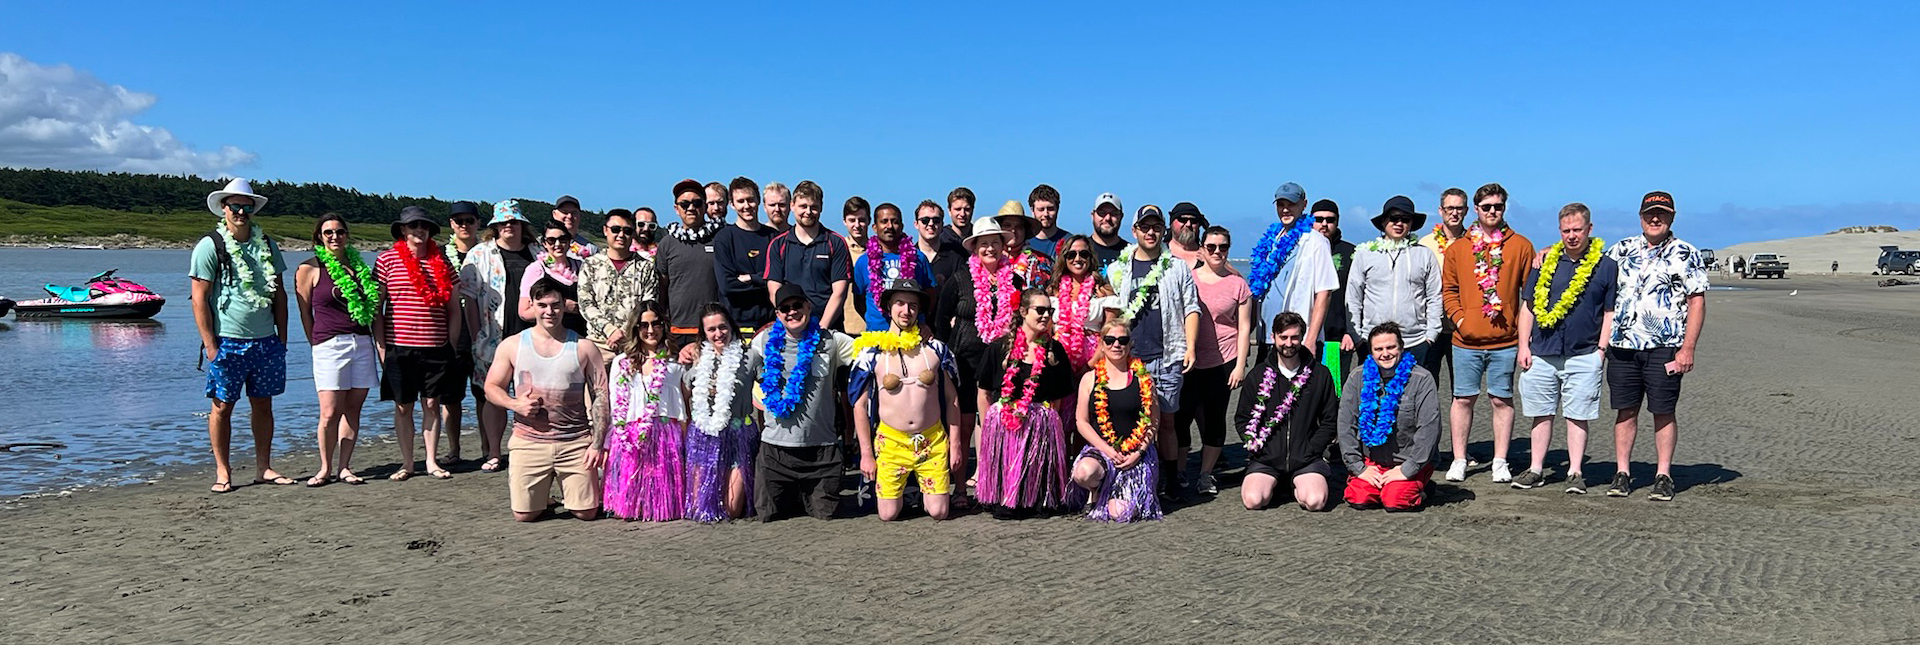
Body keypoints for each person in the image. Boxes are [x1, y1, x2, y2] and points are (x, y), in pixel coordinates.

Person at [1604, 191, 1708, 501]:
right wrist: (1547, 253)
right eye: (1650, 213)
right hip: (1623, 345)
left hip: (1666, 346)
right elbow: (1590, 275)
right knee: (1625, 411)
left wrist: (1688, 348)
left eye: (1661, 213)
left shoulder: (1686, 253)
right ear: (1640, 216)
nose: (1655, 218)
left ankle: (1663, 475)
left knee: (1663, 411)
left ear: (1672, 217)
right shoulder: (1620, 250)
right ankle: (1622, 472)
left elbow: (1697, 301)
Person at [191, 178, 292, 493]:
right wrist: (210, 344)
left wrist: (283, 338)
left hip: (266, 342)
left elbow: (280, 295)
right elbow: (198, 297)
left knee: (263, 405)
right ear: (224, 208)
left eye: (247, 207)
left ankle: (264, 467)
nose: (241, 212)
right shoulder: (210, 245)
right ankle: (223, 471)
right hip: (227, 343)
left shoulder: (267, 245)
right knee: (222, 406)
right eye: (235, 206)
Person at [483, 279, 610, 522]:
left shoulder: (584, 347)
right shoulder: (513, 345)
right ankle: (545, 495)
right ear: (531, 306)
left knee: (586, 513)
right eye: (542, 305)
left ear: (564, 306)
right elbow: (491, 388)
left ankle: (567, 487)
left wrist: (597, 444)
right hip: (528, 441)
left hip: (575, 441)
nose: (549, 312)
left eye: (555, 305)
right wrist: (514, 404)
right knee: (525, 515)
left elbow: (601, 397)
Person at [1513, 203, 1619, 492]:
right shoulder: (1543, 262)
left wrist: (1601, 350)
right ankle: (1536, 468)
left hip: (1584, 353)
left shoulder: (1606, 266)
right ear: (1559, 231)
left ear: (1590, 229)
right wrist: (1524, 346)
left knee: (1578, 414)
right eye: (1566, 231)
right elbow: (1528, 307)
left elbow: (1609, 311)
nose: (1572, 236)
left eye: (1577, 230)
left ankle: (1575, 472)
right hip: (1542, 352)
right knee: (1541, 412)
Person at [1439, 183, 1536, 483]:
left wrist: (1523, 340)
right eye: (1486, 207)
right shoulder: (1457, 248)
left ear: (1504, 208)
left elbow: (1528, 296)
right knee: (1463, 399)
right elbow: (1449, 291)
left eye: (1498, 206)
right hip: (1465, 341)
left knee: (1501, 400)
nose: (1492, 211)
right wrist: (1461, 320)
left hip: (1505, 342)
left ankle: (1500, 460)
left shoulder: (1520, 245)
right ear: (1476, 210)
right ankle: (1458, 459)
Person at [1104, 207, 1201, 499]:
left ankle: (1170, 479)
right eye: (1145, 227)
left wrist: (1192, 347)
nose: (1151, 232)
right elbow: (1111, 311)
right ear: (1134, 231)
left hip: (1168, 353)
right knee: (1134, 420)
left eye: (1156, 227)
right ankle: (1138, 476)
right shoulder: (1118, 268)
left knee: (1167, 421)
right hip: (1128, 356)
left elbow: (1191, 308)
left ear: (1163, 231)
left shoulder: (1176, 267)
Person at [850, 279, 963, 521]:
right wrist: (866, 454)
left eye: (913, 305)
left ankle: (923, 492)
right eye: (900, 303)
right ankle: (907, 492)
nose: (906, 310)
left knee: (939, 512)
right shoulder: (872, 353)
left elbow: (952, 398)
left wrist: (956, 445)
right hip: (891, 442)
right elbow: (859, 406)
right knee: (888, 515)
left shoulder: (936, 349)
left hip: (932, 441)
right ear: (888, 306)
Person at [932, 217, 1023, 501]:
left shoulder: (1016, 280)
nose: (990, 249)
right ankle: (960, 489)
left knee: (1000, 424)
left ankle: (997, 483)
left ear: (1002, 245)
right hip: (965, 361)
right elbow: (941, 318)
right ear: (975, 248)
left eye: (995, 242)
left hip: (1003, 364)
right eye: (984, 244)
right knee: (966, 422)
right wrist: (947, 356)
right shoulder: (961, 278)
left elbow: (1022, 321)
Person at [749, 284, 858, 521]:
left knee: (827, 517)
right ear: (777, 314)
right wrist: (693, 348)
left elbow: (868, 352)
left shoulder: (831, 340)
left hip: (821, 452)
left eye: (797, 305)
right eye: (784, 308)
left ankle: (806, 496)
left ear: (808, 306)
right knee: (768, 516)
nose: (792, 312)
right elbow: (734, 361)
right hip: (775, 454)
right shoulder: (763, 342)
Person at [376, 206, 465, 481]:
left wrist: (449, 343)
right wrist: (381, 347)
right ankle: (407, 463)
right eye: (413, 226)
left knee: (431, 403)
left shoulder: (443, 263)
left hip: (436, 346)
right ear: (403, 230)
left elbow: (454, 309)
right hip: (398, 345)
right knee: (403, 406)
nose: (419, 230)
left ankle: (431, 461)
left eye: (424, 226)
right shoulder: (386, 261)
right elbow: (377, 309)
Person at [976, 288, 1077, 518]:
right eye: (1039, 310)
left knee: (1040, 508)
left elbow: (1059, 397)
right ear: (1023, 312)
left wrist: (1047, 426)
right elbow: (983, 393)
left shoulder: (1055, 350)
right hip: (1006, 427)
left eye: (1049, 311)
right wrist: (990, 430)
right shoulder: (999, 348)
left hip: (1040, 430)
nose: (1045, 316)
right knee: (1008, 511)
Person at [294, 214, 377, 486]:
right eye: (328, 232)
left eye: (340, 232)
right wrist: (315, 342)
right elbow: (305, 312)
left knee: (353, 409)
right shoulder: (310, 269)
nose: (334, 237)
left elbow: (374, 308)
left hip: (362, 343)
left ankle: (345, 467)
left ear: (347, 235)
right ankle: (324, 468)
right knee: (330, 412)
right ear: (319, 236)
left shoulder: (359, 266)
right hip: (330, 344)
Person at [460, 200, 537, 474]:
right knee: (494, 395)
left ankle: (527, 450)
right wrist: (474, 335)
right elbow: (468, 298)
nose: (508, 226)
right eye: (503, 222)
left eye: (513, 222)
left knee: (531, 395)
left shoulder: (537, 253)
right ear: (494, 227)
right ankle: (494, 452)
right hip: (492, 336)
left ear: (521, 225)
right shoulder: (480, 254)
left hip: (532, 337)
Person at [1233, 312, 1338, 511]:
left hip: (1306, 458)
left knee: (1315, 501)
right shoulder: (1258, 375)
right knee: (1253, 500)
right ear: (1273, 337)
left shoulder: (1320, 374)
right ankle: (1276, 482)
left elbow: (1329, 420)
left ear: (1302, 338)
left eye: (1294, 337)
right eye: (1283, 337)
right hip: (1267, 458)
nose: (1289, 343)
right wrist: (1257, 446)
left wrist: (1312, 448)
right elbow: (1243, 418)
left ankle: (1296, 484)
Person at [1177, 226, 1251, 495]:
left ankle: (1205, 474)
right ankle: (1180, 470)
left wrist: (1241, 364)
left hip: (1225, 358)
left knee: (1215, 418)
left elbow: (1244, 328)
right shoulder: (1189, 279)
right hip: (1191, 358)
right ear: (1202, 250)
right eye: (1211, 247)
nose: (1217, 252)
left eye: (1223, 247)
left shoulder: (1238, 284)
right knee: (1181, 417)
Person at [1339, 322, 1443, 511]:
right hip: (1372, 463)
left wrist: (1407, 470)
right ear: (1371, 352)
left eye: (1391, 347)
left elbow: (1429, 430)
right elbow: (1346, 425)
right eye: (1378, 349)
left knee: (1395, 501)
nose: (1385, 354)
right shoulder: (1357, 378)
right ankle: (1384, 486)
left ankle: (1423, 487)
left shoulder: (1421, 378)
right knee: (1359, 498)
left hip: (1409, 460)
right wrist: (1359, 468)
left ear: (1401, 348)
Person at [602, 301, 689, 521]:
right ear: (635, 328)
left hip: (664, 435)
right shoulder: (621, 363)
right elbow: (614, 404)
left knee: (661, 504)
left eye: (656, 324)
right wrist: (607, 443)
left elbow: (682, 408)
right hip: (629, 435)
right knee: (631, 506)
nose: (650, 330)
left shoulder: (675, 364)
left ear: (664, 326)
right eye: (643, 325)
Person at [1070, 317, 1162, 522]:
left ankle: (1115, 492)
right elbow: (1081, 422)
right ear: (1102, 345)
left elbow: (1154, 421)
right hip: (1103, 451)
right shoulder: (1090, 379)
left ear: (1130, 344)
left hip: (1135, 455)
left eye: (1122, 340)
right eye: (1110, 340)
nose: (1116, 345)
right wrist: (1108, 451)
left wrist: (1139, 452)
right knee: (1083, 473)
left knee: (1120, 513)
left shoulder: (1143, 378)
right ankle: (1099, 487)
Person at [1345, 196, 1443, 369]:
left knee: (1416, 394)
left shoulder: (1425, 254)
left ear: (1412, 223)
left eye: (1405, 219)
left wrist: (1431, 336)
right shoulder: (1365, 254)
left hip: (1416, 341)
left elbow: (1435, 296)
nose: (1399, 223)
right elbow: (1353, 296)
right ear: (1384, 222)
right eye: (1394, 218)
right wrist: (1357, 337)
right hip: (1373, 342)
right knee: (1373, 394)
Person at [684, 303, 760, 522]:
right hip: (705, 437)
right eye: (711, 329)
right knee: (701, 507)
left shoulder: (750, 357)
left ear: (731, 327)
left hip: (738, 437)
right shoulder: (697, 358)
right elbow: (683, 392)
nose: (718, 334)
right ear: (704, 333)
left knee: (732, 509)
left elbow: (769, 391)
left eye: (723, 327)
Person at [1248, 182, 1339, 350]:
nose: (1285, 209)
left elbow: (1324, 293)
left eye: (1291, 204)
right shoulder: (1270, 241)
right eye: (1281, 205)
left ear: (1304, 205)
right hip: (1268, 336)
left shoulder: (1316, 242)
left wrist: (1311, 339)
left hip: (1297, 339)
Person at [765, 181, 853, 330]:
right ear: (792, 206)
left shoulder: (836, 242)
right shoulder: (778, 245)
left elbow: (839, 292)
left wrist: (821, 328)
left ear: (821, 208)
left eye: (814, 207)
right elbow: (774, 289)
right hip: (790, 329)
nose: (808, 212)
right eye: (803, 206)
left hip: (828, 328)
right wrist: (791, 322)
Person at [578, 208, 660, 356]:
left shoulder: (646, 267)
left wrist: (623, 331)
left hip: (633, 344)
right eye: (615, 229)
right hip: (598, 344)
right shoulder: (591, 265)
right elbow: (585, 303)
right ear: (605, 230)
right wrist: (610, 330)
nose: (621, 235)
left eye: (627, 231)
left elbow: (648, 304)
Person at [442, 200, 484, 461]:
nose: (464, 225)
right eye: (459, 221)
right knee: (451, 395)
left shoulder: (488, 253)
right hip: (452, 331)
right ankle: (454, 449)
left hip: (484, 328)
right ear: (452, 224)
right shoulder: (441, 255)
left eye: (469, 220)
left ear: (478, 223)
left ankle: (487, 448)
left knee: (484, 392)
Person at [852, 202, 937, 331]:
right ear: (874, 227)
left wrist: (921, 319)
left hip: (912, 333)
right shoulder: (863, 261)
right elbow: (859, 302)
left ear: (902, 226)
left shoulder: (918, 258)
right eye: (884, 221)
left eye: (894, 221)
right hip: (876, 335)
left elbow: (931, 294)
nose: (889, 226)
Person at [659, 179, 724, 346]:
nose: (691, 208)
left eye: (696, 203)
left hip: (714, 329)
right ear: (676, 208)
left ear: (704, 206)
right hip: (677, 330)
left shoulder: (720, 238)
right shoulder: (667, 243)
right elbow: (662, 286)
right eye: (684, 204)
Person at [1416, 188, 1470, 385]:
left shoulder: (1475, 242)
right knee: (1427, 383)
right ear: (1441, 210)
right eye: (1449, 208)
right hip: (1431, 326)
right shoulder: (1425, 244)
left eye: (1459, 208)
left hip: (1461, 326)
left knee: (1463, 387)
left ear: (1466, 210)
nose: (1454, 213)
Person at [713, 177, 777, 334]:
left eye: (750, 200)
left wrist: (750, 278)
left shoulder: (774, 237)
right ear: (732, 204)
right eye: (740, 201)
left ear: (759, 201)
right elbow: (727, 286)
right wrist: (764, 281)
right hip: (735, 325)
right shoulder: (724, 238)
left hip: (771, 323)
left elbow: (780, 279)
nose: (746, 206)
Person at [517, 220, 587, 335]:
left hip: (580, 335)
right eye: (551, 240)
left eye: (563, 239)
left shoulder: (582, 266)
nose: (558, 244)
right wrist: (561, 307)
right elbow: (524, 312)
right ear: (544, 244)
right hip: (549, 337)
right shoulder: (535, 269)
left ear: (569, 241)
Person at [1313, 199, 1356, 377]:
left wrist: (1350, 332)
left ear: (1337, 222)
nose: (1324, 224)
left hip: (1337, 339)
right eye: (1319, 219)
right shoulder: (1302, 250)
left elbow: (1357, 296)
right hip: (1307, 336)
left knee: (1334, 393)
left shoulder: (1351, 252)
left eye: (1330, 220)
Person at [914, 199, 970, 296]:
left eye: (936, 220)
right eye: (925, 220)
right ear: (916, 224)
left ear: (942, 224)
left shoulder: (956, 257)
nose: (931, 224)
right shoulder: (908, 257)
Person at [994, 200, 1053, 289]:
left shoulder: (1041, 261)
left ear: (1025, 231)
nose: (1013, 230)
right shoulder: (990, 259)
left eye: (1019, 227)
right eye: (1007, 226)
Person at [841, 196, 873, 334]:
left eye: (861, 220)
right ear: (844, 222)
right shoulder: (839, 249)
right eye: (852, 220)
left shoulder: (879, 250)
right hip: (844, 326)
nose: (857, 225)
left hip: (872, 328)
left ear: (869, 221)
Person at [1086, 193, 1131, 271]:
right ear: (1093, 215)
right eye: (1102, 213)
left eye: (1113, 214)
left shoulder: (1131, 252)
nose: (1107, 218)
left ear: (1121, 216)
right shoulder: (1081, 250)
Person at [1027, 184, 1071, 259]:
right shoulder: (1023, 242)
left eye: (1050, 209)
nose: (1046, 214)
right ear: (1032, 210)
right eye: (1041, 209)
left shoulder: (1069, 242)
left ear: (1057, 209)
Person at [550, 194, 600, 259]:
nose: (569, 216)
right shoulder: (540, 245)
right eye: (565, 212)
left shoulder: (591, 249)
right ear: (554, 214)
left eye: (574, 213)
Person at [1167, 202, 1208, 267]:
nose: (1188, 224)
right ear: (1171, 223)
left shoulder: (1208, 255)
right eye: (1183, 220)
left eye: (1193, 221)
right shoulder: (1159, 251)